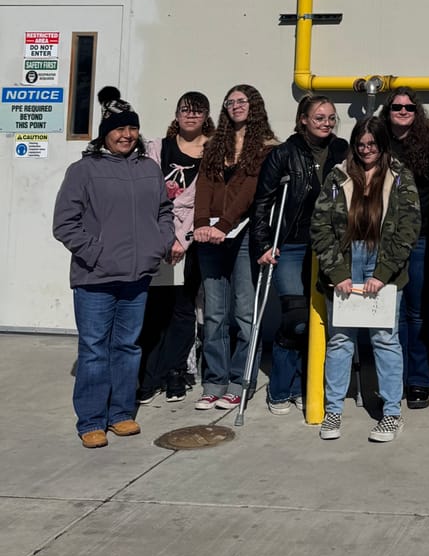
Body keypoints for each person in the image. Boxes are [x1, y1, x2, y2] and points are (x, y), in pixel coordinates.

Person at [53, 89, 175, 448]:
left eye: (132, 129)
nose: (126, 135)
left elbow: (164, 212)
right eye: (118, 129)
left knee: (127, 346)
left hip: (136, 278)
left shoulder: (148, 169)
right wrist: (97, 253)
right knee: (94, 349)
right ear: (105, 133)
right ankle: (91, 420)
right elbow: (65, 224)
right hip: (95, 278)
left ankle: (121, 413)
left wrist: (159, 243)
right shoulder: (84, 170)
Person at [310, 115, 421, 442]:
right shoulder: (338, 175)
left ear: (382, 144)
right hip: (346, 262)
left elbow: (409, 228)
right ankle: (333, 410)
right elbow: (320, 227)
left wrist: (383, 274)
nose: (366, 149)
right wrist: (338, 273)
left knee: (385, 340)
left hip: (383, 263)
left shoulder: (400, 177)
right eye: (360, 144)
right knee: (341, 339)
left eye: (372, 144)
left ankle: (391, 413)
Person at [251, 94, 349, 414]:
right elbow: (263, 203)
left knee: (321, 320)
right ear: (303, 119)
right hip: (292, 244)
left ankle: (308, 385)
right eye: (319, 117)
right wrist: (263, 245)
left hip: (330, 246)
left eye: (331, 117)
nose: (326, 123)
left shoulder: (342, 150)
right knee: (296, 319)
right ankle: (282, 389)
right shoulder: (283, 154)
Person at [192, 85, 278, 411]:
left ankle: (240, 380)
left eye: (242, 101)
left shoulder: (266, 149)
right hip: (209, 236)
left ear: (254, 106)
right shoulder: (215, 146)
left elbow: (249, 191)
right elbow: (204, 186)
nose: (236, 106)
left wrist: (223, 226)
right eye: (230, 101)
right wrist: (202, 224)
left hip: (241, 235)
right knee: (214, 314)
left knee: (244, 312)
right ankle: (214, 381)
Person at [138, 92, 213, 404]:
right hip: (157, 235)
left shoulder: (212, 151)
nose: (190, 116)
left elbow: (203, 200)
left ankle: (175, 371)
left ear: (206, 116)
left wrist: (182, 238)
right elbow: (150, 193)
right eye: (185, 110)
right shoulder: (159, 148)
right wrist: (165, 235)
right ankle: (149, 375)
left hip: (190, 240)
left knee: (182, 309)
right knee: (154, 307)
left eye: (197, 112)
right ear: (177, 114)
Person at [380, 86, 429, 410]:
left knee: (419, 312)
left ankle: (419, 380)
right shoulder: (377, 141)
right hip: (385, 240)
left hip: (423, 239)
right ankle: (395, 379)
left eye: (409, 107)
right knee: (392, 315)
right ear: (388, 109)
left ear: (416, 111)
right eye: (397, 106)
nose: (403, 111)